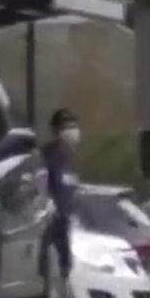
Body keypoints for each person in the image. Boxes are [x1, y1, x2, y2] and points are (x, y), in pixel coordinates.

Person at [41, 108, 84, 277]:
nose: (72, 131)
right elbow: (42, 186)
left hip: (70, 225)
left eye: (74, 126)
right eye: (67, 127)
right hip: (53, 225)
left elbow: (73, 190)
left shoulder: (71, 159)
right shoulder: (47, 156)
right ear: (56, 131)